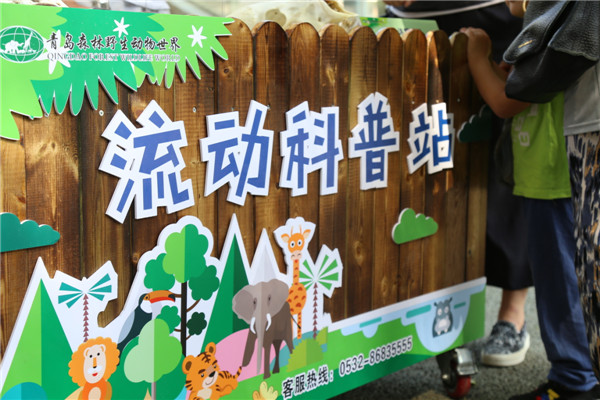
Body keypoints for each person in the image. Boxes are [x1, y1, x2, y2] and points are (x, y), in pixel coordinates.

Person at [461, 0, 600, 398]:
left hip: (551, 180)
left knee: (561, 282)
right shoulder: (549, 32)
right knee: (569, 277)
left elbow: (506, 102)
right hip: (551, 177)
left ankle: (573, 380)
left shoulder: (557, 33)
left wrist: (477, 58)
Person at [384, 0, 531, 368]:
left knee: (503, 169)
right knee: (412, 165)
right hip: (412, 20)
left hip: (490, 16)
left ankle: (512, 313)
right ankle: (420, 308)